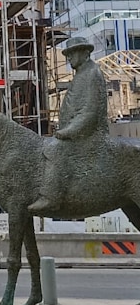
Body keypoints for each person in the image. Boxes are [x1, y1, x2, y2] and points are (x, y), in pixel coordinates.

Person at [28, 36, 109, 213]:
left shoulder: (92, 73)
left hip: (90, 134)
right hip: (77, 132)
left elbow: (90, 112)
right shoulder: (81, 74)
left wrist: (68, 132)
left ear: (85, 53)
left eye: (73, 53)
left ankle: (51, 197)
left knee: (55, 149)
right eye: (68, 53)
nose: (69, 57)